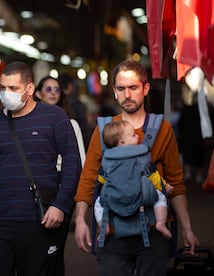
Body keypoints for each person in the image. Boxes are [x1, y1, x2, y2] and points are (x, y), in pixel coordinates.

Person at [74, 60, 199, 276]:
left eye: (133, 87)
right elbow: (88, 180)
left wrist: (187, 229)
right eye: (121, 89)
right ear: (114, 91)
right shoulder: (103, 131)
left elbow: (176, 184)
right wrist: (80, 220)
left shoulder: (163, 129)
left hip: (153, 232)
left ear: (146, 88)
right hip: (112, 233)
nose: (127, 94)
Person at [0, 61, 81, 276]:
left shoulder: (54, 117)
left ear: (30, 89)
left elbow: (73, 163)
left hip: (38, 221)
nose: (6, 94)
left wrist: (61, 205)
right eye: (3, 87)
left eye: (13, 88)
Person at [33, 75, 85, 275]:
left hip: (63, 184)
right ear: (38, 93)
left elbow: (80, 161)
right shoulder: (29, 122)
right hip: (37, 185)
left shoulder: (71, 124)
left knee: (56, 247)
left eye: (57, 89)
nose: (53, 92)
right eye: (48, 89)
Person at [94, 120, 173, 239]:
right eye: (133, 135)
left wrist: (100, 186)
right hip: (141, 196)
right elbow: (153, 177)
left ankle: (104, 227)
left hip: (115, 197)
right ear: (122, 142)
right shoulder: (142, 156)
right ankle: (161, 223)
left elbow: (101, 180)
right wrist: (165, 187)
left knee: (98, 204)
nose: (137, 136)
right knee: (160, 197)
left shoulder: (108, 159)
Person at [58, 73, 91, 149]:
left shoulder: (53, 105)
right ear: (70, 86)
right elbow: (84, 129)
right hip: (77, 146)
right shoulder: (76, 104)